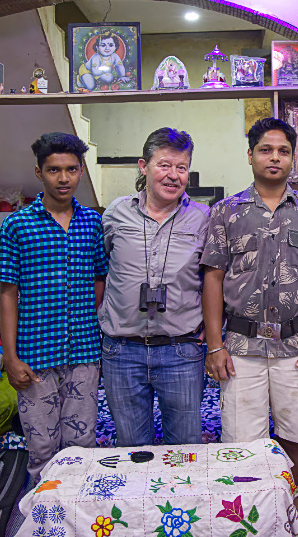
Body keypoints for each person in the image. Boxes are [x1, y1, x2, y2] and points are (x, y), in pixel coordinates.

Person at [201, 117, 298, 483]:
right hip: (240, 347)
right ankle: (250, 510)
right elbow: (213, 278)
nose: (274, 157)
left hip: (297, 347)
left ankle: (285, 505)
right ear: (250, 155)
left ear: (293, 158)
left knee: (296, 435)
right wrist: (214, 345)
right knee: (241, 443)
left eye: (283, 151)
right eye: (265, 150)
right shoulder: (225, 211)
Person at [0, 132, 107, 483]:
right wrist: (10, 357)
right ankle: (43, 513)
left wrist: (88, 321)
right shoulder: (17, 225)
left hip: (84, 353)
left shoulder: (92, 223)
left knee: (82, 446)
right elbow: (8, 294)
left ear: (81, 171)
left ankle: (78, 511)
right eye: (54, 170)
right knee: (42, 449)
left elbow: (99, 281)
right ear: (39, 172)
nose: (63, 178)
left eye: (71, 169)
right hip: (35, 357)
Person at [99, 128, 209, 446]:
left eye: (181, 167)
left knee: (185, 450)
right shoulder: (115, 214)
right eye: (164, 165)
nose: (173, 175)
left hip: (181, 350)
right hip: (122, 352)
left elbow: (215, 279)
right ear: (143, 166)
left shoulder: (203, 219)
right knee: (132, 450)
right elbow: (100, 270)